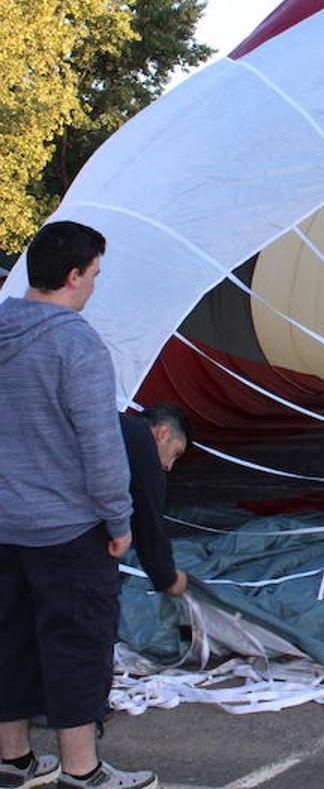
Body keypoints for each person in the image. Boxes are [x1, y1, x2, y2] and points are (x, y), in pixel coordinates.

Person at [0, 221, 157, 789]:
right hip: (67, 528)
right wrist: (120, 519)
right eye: (93, 275)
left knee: (8, 637)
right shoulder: (75, 342)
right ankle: (81, 770)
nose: (93, 286)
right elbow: (99, 443)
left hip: (4, 522)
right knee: (77, 646)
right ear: (72, 276)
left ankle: (13, 759)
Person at [120, 403, 193, 597]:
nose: (169, 466)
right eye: (175, 454)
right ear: (163, 433)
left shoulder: (112, 423)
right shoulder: (144, 447)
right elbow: (148, 520)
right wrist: (168, 578)